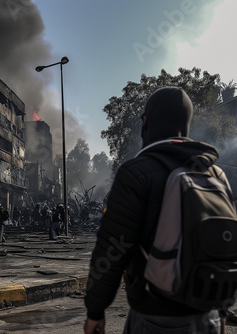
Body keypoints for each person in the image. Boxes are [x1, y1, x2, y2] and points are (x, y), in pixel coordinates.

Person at [84, 87, 226, 334]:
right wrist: (221, 310)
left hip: (156, 317)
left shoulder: (135, 173)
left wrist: (96, 310)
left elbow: (112, 250)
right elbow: (224, 246)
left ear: (146, 123)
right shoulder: (215, 174)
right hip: (209, 315)